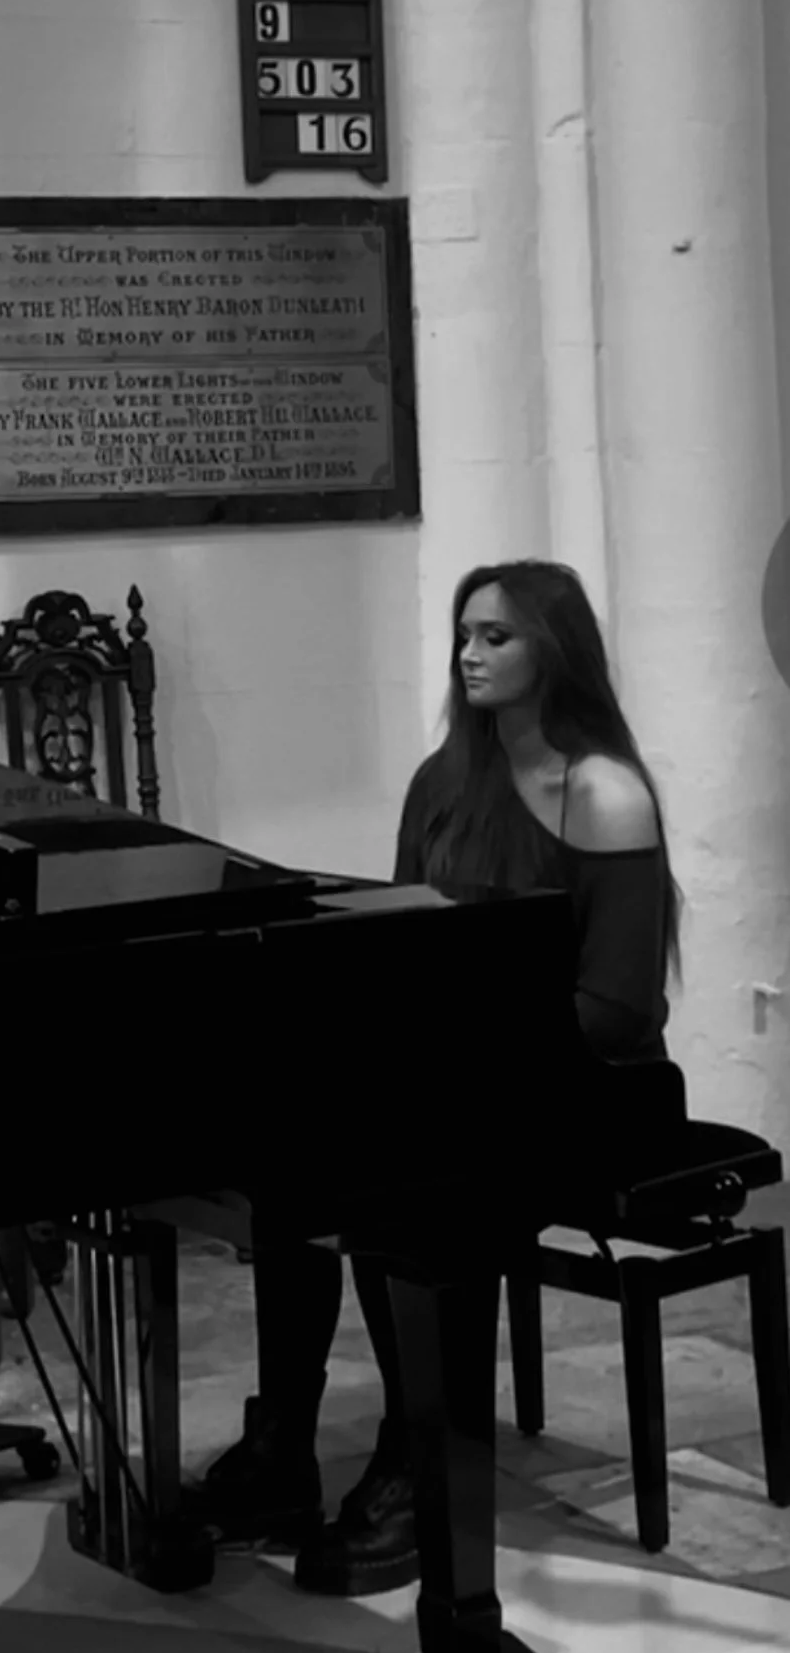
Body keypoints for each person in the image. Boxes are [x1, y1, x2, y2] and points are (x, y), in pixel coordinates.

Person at [194, 558, 683, 1596]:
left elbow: (622, 1007)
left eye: (498, 635)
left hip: (594, 1086)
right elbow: (406, 949)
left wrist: (459, 1049)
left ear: (555, 649)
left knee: (390, 1175)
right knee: (292, 1150)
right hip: (480, 1073)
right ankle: (282, 1445)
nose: (470, 651)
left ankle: (420, 1463)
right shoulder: (441, 782)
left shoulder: (603, 791)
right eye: (466, 632)